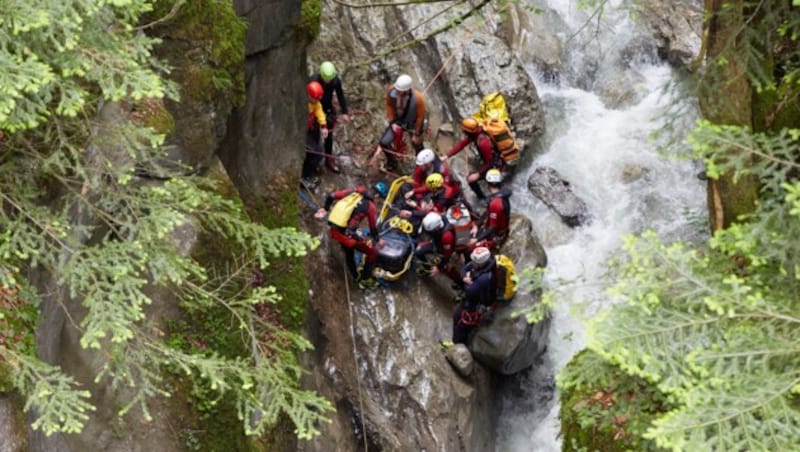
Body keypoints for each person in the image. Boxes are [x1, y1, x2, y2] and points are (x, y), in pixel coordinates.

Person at [314, 185, 383, 288]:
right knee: (372, 252)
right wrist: (378, 240)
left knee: (349, 250)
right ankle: (365, 279)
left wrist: (325, 209)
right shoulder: (370, 206)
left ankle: (355, 276)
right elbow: (373, 228)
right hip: (347, 236)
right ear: (377, 195)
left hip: (335, 229)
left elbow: (331, 196)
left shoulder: (353, 192)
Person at [371, 74, 426, 171]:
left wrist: (416, 133)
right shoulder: (391, 90)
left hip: (412, 123)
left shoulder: (418, 99)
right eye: (397, 90)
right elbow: (389, 105)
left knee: (417, 145)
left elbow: (420, 117)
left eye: (400, 91)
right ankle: (392, 162)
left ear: (407, 90)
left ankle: (422, 164)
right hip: (397, 121)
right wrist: (392, 122)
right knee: (384, 142)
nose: (397, 92)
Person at [442, 118, 503, 200]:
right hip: (491, 161)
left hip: (495, 164)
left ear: (468, 132)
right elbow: (461, 145)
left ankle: (486, 199)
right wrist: (447, 156)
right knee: (472, 178)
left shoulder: (483, 142)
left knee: (472, 180)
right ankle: (484, 198)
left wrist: (478, 174)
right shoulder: (477, 133)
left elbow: (490, 162)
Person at [309, 61, 350, 173]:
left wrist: (345, 111)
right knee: (315, 135)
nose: (329, 81)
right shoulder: (314, 81)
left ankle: (328, 158)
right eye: (327, 79)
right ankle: (314, 161)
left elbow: (340, 94)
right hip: (315, 107)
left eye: (331, 79)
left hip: (327, 107)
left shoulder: (335, 80)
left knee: (329, 135)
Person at [451, 247, 497, 344]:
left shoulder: (484, 278)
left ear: (481, 264)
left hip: (477, 302)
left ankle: (458, 343)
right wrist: (465, 279)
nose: (472, 263)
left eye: (475, 262)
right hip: (477, 291)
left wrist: (468, 283)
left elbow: (469, 291)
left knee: (459, 319)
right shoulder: (484, 263)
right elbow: (464, 269)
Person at [413, 212, 461, 284]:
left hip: (447, 250)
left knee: (449, 270)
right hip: (437, 243)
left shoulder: (446, 236)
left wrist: (439, 267)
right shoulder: (438, 219)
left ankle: (460, 283)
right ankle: (428, 269)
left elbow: (447, 254)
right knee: (418, 251)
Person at [474, 169, 511, 251]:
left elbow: (492, 228)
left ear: (488, 183)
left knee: (469, 249)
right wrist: (477, 225)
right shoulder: (501, 195)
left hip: (497, 235)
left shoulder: (495, 203)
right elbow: (488, 212)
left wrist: (476, 240)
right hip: (500, 228)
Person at [301, 81, 329, 188]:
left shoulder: (315, 103)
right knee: (315, 153)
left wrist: (324, 126)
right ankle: (305, 175)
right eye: (315, 99)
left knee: (318, 152)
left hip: (309, 129)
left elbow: (319, 111)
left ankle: (309, 171)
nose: (317, 101)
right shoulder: (303, 103)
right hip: (301, 132)